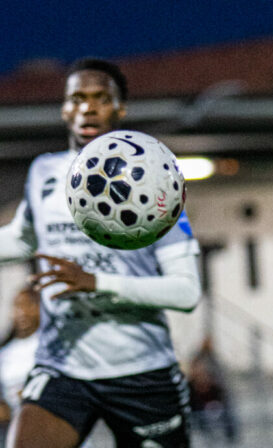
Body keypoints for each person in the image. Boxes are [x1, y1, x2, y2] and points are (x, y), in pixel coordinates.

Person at [0, 58, 201, 448]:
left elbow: (187, 291)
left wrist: (95, 282)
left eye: (100, 98)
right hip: (63, 367)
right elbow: (22, 239)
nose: (88, 108)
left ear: (120, 108)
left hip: (141, 372)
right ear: (64, 108)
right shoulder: (44, 172)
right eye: (77, 98)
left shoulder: (156, 175)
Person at [0, 286, 41, 440]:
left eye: (30, 305)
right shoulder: (5, 353)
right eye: (18, 305)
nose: (23, 312)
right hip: (19, 430)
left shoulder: (48, 346)